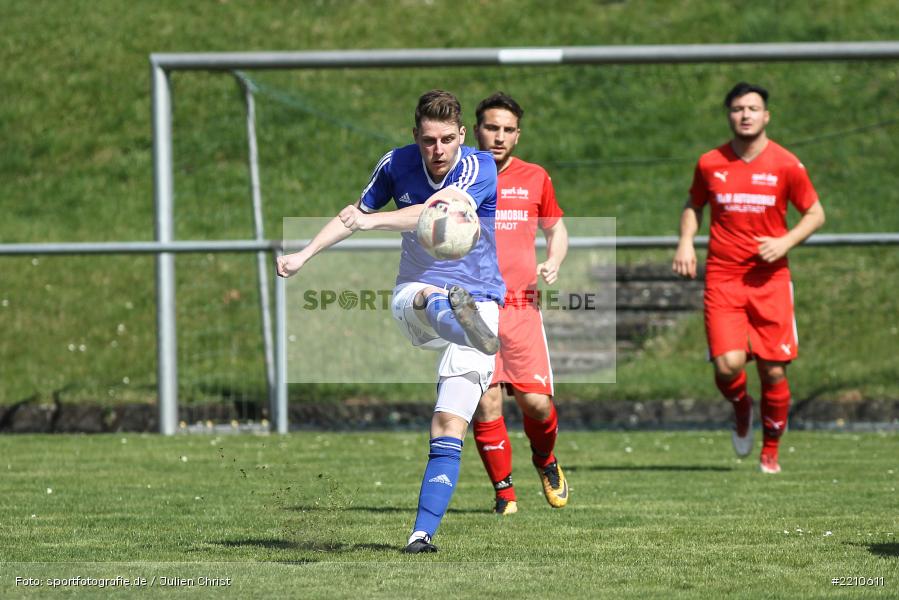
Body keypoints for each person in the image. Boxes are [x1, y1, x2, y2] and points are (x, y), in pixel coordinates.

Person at [276, 90, 505, 552]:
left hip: (480, 299)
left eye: (445, 139)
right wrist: (304, 255)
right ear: (415, 137)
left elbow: (432, 212)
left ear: (462, 134)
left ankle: (421, 536)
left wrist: (373, 223)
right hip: (415, 296)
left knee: (448, 423)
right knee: (425, 297)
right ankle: (462, 323)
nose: (437, 150)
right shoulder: (395, 164)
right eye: (427, 141)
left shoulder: (479, 167)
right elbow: (352, 216)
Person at [673, 82, 825, 474]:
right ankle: (742, 407)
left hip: (770, 280)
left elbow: (815, 213)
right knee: (727, 366)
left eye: (753, 108)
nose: (745, 115)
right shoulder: (710, 162)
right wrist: (686, 242)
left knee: (773, 369)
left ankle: (770, 450)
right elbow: (694, 203)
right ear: (729, 115)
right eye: (738, 108)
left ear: (766, 115)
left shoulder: (786, 164)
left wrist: (785, 241)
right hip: (723, 278)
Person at [470, 92, 569, 515]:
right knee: (486, 400)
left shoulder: (535, 177)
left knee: (536, 403)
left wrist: (554, 260)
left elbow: (557, 226)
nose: (499, 136)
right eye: (492, 127)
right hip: (471, 306)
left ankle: (545, 460)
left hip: (521, 306)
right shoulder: (460, 177)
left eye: (508, 130)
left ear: (518, 135)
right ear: (475, 130)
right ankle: (504, 493)